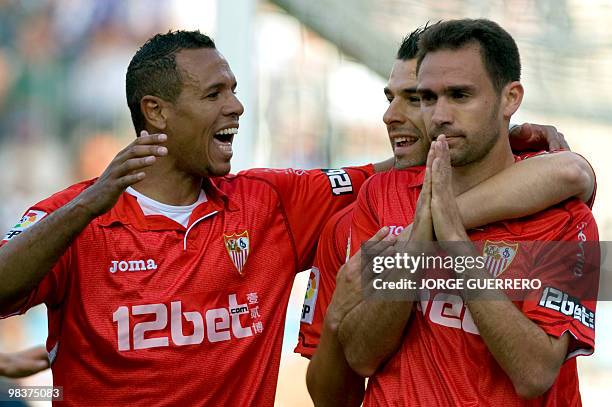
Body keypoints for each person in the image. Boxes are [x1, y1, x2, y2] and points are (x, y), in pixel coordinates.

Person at [0, 30, 394, 406]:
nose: (236, 106)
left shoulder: (272, 203)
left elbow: (393, 175)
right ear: (156, 112)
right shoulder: (77, 216)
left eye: (233, 90)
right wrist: (84, 208)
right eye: (213, 94)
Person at [301, 25, 597, 406]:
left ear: (510, 98)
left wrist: (453, 237)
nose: (439, 115)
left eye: (460, 95)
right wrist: (420, 235)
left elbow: (534, 374)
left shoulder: (568, 219)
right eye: (427, 98)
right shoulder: (382, 195)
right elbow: (360, 355)